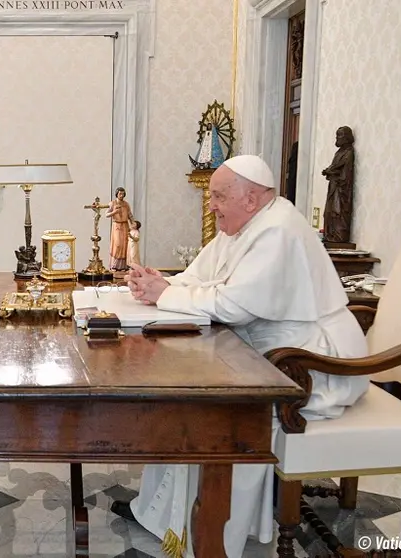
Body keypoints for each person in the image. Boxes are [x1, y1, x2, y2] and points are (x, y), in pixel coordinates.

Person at [112, 154, 369, 557]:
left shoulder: (277, 230)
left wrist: (167, 295)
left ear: (251, 198)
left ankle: (222, 533)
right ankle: (159, 514)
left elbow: (235, 306)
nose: (211, 205)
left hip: (311, 363)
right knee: (184, 395)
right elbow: (199, 278)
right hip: (272, 354)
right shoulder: (241, 226)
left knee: (227, 409)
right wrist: (162, 283)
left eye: (219, 196)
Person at [106, 187, 133, 271]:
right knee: (117, 245)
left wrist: (133, 222)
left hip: (125, 225)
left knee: (124, 245)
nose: (121, 195)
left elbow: (130, 214)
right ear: (117, 194)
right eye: (120, 194)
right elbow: (106, 214)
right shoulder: (113, 203)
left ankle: (123, 266)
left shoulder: (126, 204)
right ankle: (114, 265)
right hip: (117, 226)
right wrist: (114, 212)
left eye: (123, 194)